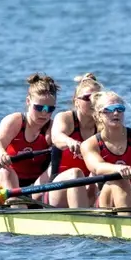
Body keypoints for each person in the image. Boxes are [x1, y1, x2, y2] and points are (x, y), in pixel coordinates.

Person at [0, 73, 59, 204]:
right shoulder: (16, 121)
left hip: (33, 184)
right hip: (3, 179)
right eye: (39, 107)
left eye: (49, 109)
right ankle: (18, 208)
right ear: (28, 101)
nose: (44, 113)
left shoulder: (52, 128)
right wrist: (1, 153)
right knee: (7, 173)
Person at [81, 90, 131, 213]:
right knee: (119, 178)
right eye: (109, 109)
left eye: (120, 108)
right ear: (98, 115)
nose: (116, 113)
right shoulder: (90, 144)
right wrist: (117, 169)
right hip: (107, 198)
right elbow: (97, 167)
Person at [49, 73, 102, 207]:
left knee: (98, 173)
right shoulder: (66, 118)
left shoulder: (103, 125)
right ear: (76, 101)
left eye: (96, 97)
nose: (92, 102)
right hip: (57, 189)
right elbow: (56, 137)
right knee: (76, 173)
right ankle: (84, 219)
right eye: (87, 98)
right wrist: (69, 141)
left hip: (88, 188)